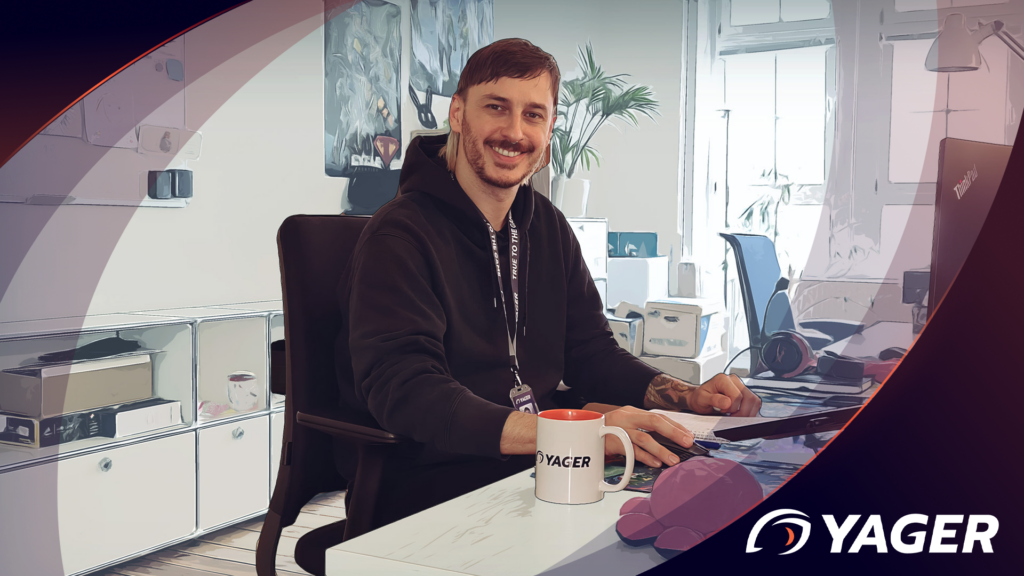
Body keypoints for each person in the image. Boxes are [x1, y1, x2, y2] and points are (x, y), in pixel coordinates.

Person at [335, 38, 761, 530]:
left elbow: (591, 352)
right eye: (496, 107)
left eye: (533, 115)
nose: (515, 132)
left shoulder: (546, 226)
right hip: (433, 482)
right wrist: (571, 434)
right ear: (457, 114)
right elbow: (408, 392)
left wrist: (689, 397)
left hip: (538, 466)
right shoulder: (400, 235)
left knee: (704, 503)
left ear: (549, 128)